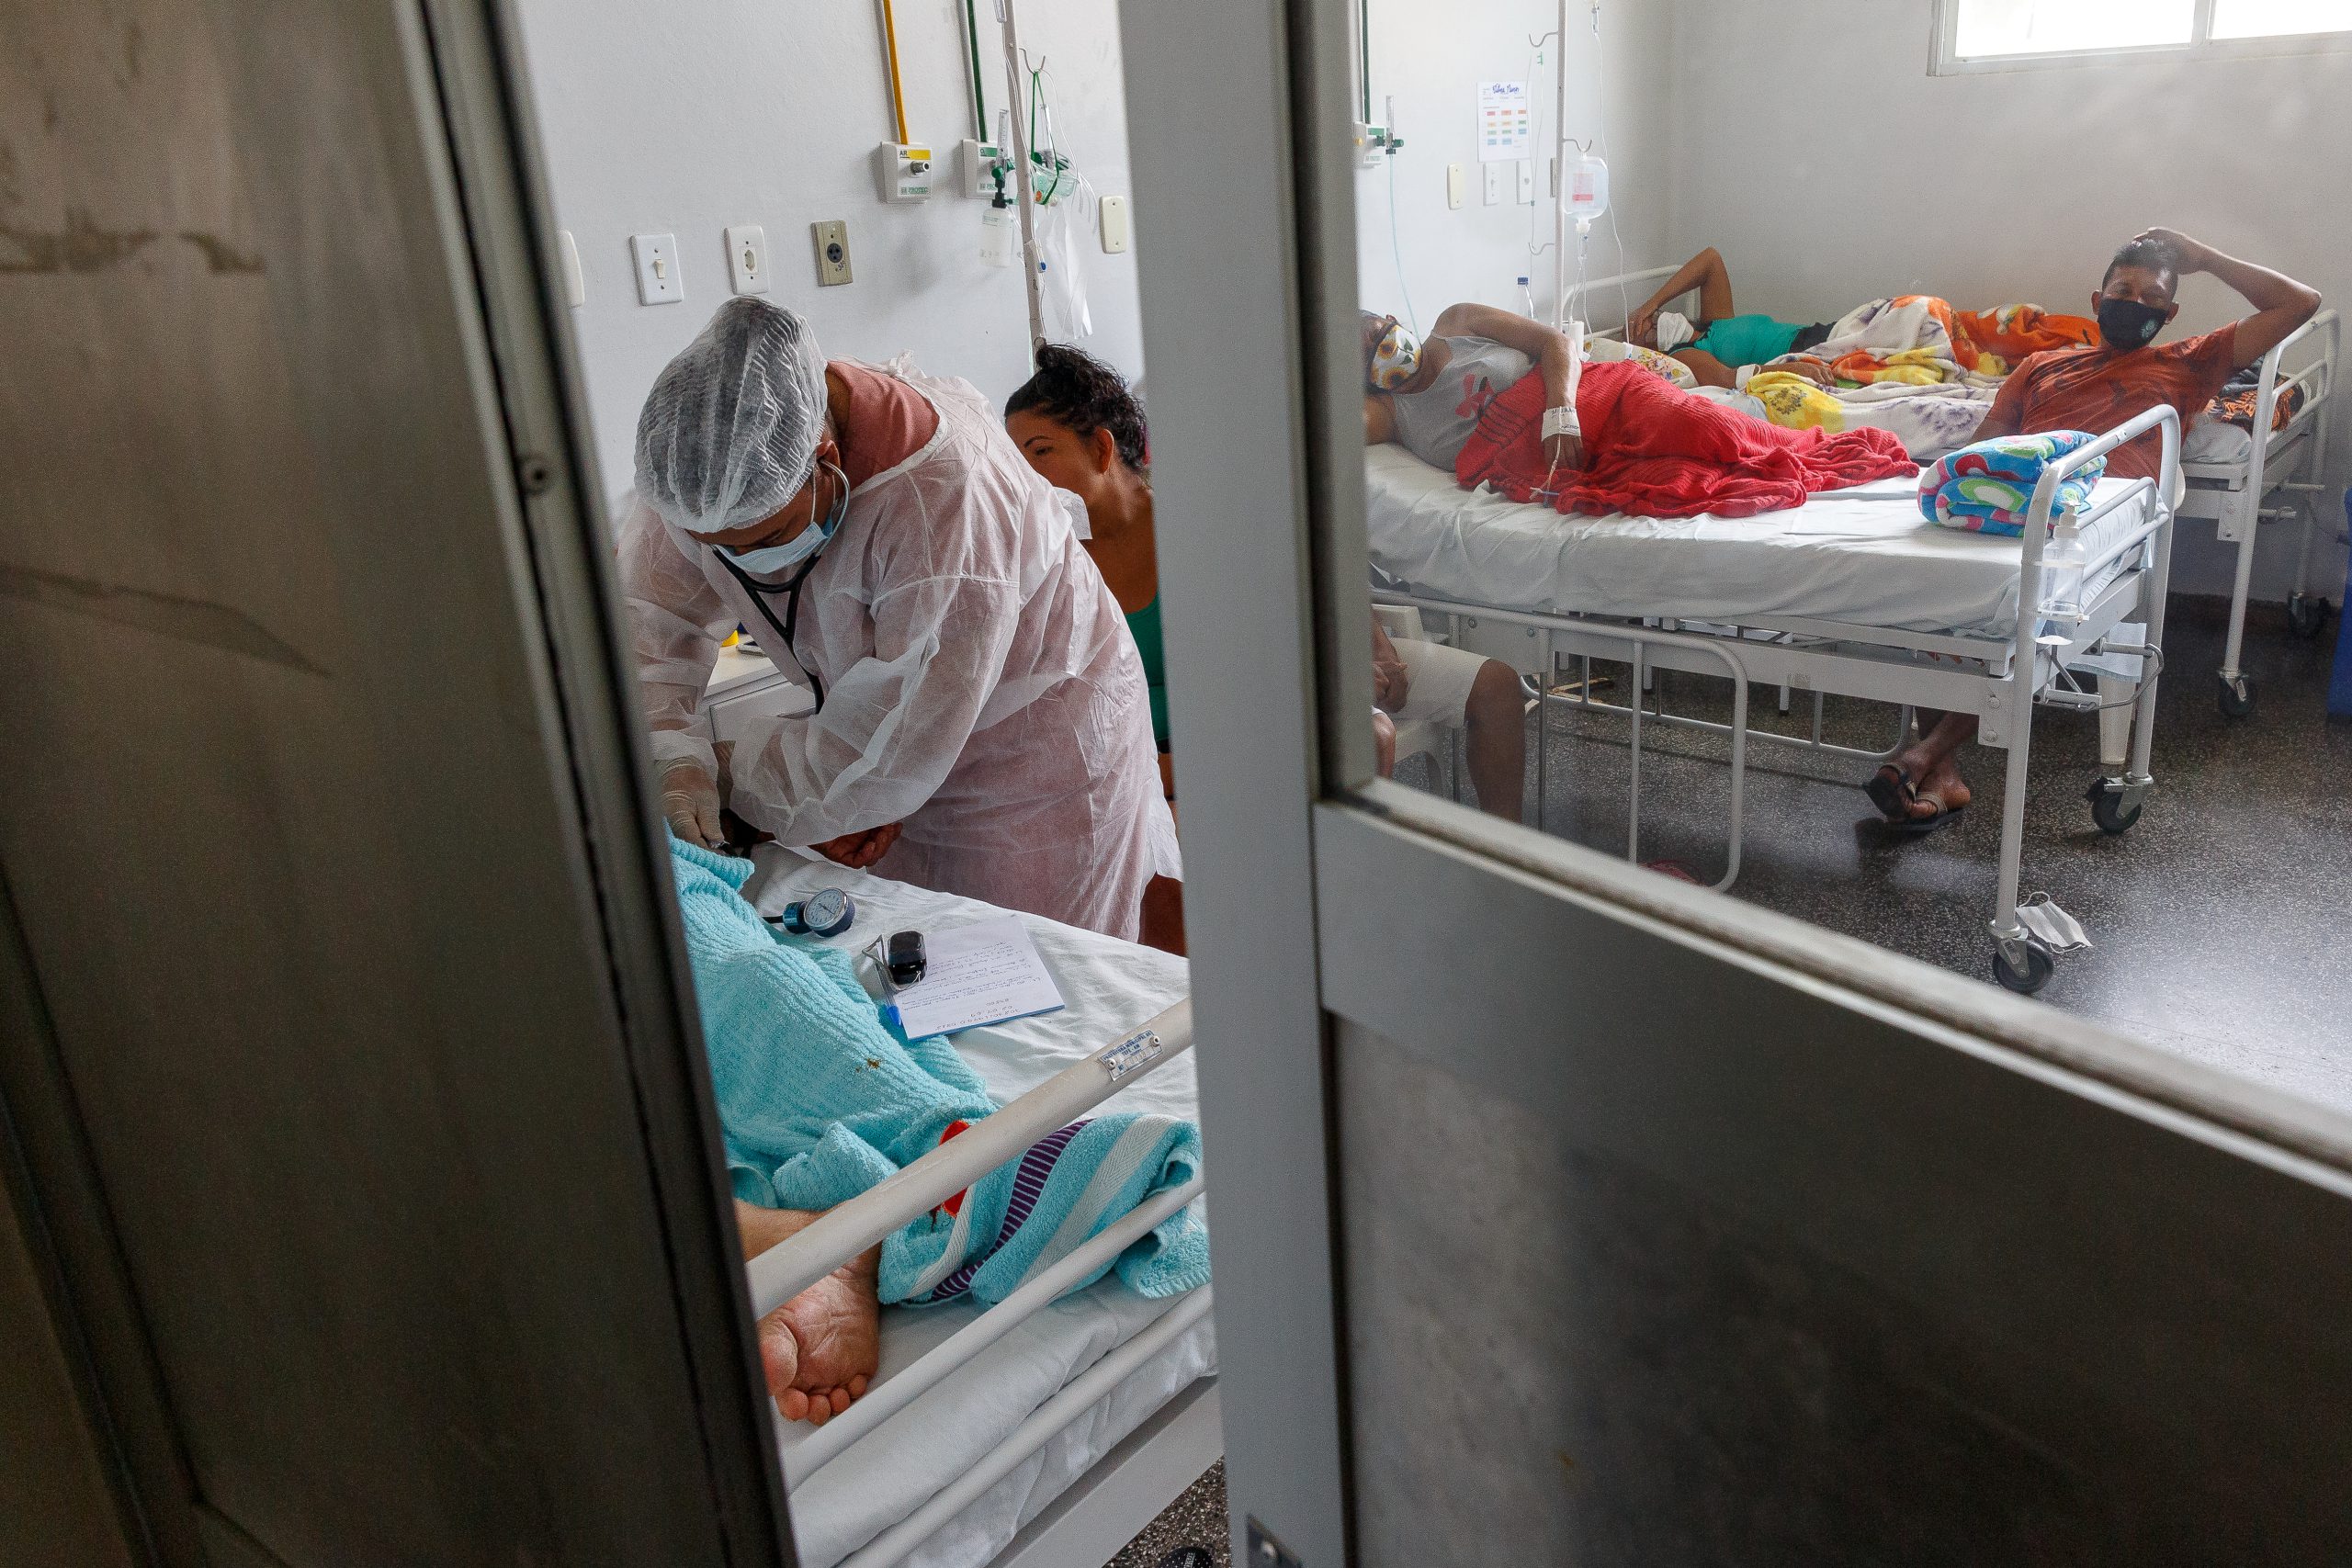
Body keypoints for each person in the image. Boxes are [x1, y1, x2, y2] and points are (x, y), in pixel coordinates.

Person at [621, 299, 1163, 940]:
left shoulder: (947, 501)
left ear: (824, 456)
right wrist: (674, 757)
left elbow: (887, 752)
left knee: (1032, 966)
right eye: (719, 548)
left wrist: (733, 773)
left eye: (766, 538)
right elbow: (648, 624)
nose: (747, 564)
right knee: (912, 963)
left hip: (1037, 774)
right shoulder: (700, 470)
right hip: (910, 747)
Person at [669, 835, 1205, 1426]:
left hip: (661, 906)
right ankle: (896, 1207)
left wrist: (688, 810)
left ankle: (915, 1191)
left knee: (760, 1002)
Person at [1866, 229, 2322, 828]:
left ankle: (1925, 755)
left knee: (2025, 601)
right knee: (1936, 581)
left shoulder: (2188, 363)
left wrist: (2203, 258)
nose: (2134, 302)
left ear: (2170, 314)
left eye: (2151, 296)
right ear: (2096, 301)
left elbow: (2300, 304)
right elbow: (1988, 443)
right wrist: (1958, 487)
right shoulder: (2042, 365)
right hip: (2020, 496)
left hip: (2100, 512)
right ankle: (1943, 773)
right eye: (2123, 290)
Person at [1015, 343, 1526, 823]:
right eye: (1013, 459)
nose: (1021, 475)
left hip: (1237, 720)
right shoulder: (1048, 556)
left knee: (1376, 730)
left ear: (1102, 449)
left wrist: (1356, 657)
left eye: (1039, 452)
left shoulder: (1202, 526)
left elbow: (1288, 614)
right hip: (1145, 756)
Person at [1625, 246, 1838, 389]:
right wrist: (1792, 370)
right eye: (1642, 330)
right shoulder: (1685, 353)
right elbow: (1728, 378)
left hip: (1819, 335)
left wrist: (1651, 303)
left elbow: (1711, 259)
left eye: (1651, 317)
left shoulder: (1715, 321)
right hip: (1803, 354)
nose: (1650, 321)